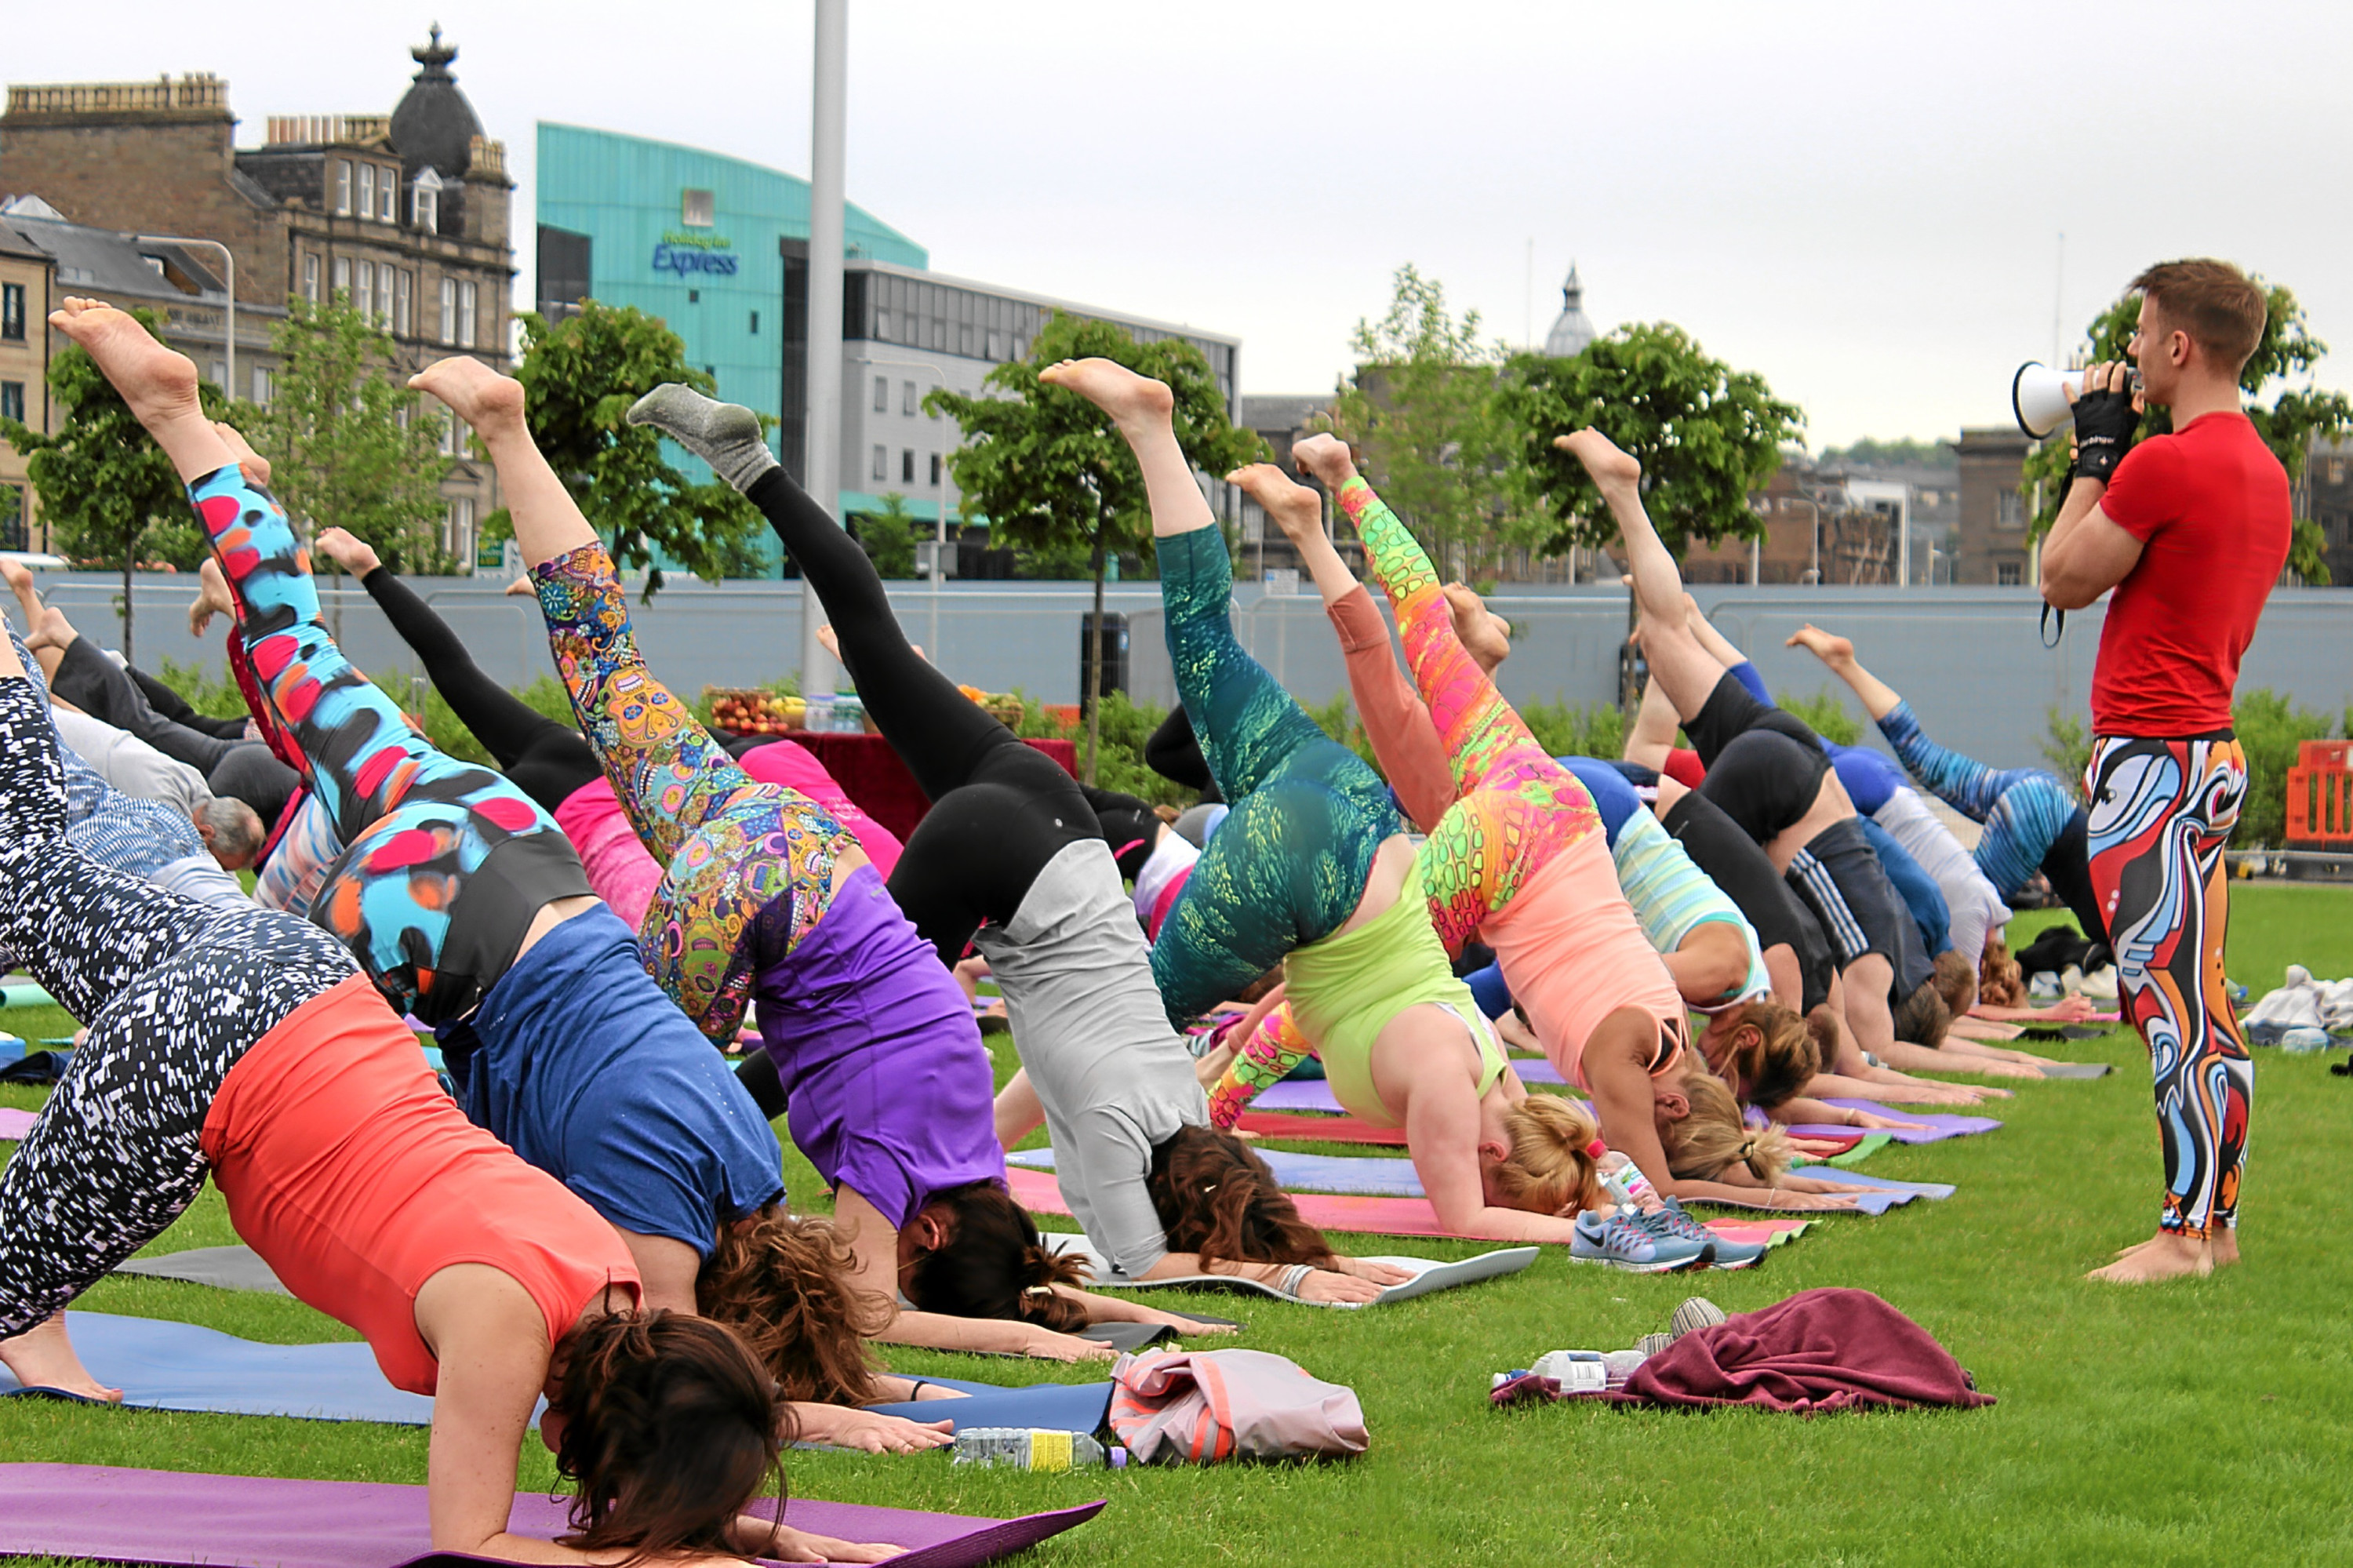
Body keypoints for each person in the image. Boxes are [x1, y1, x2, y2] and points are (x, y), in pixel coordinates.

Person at [5, 300, 895, 1566]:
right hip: (351, 979)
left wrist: (761, 1536)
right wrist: (680, 1549)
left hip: (461, 876)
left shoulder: (646, 1245)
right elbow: (470, 1541)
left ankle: (188, 445)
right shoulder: (544, 1302)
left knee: (207, 731)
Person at [420, 353, 1155, 1358]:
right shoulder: (907, 1180)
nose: (868, 1244)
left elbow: (1029, 1275)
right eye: (899, 1250)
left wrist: (1148, 1314)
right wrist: (1031, 1345)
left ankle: (508, 430)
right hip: (748, 895)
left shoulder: (974, 1146)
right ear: (929, 1235)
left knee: (607, 670)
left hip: (792, 841)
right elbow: (867, 1312)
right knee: (613, 1073)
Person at [633, 382, 1401, 1305]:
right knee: (835, 1021)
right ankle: (675, 1104)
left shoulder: (1189, 1105)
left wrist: (1322, 1257)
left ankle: (751, 464)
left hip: (1054, 815)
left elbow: (1228, 1215)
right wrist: (1294, 1278)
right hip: (1003, 866)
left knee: (875, 647)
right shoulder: (1125, 1142)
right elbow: (1142, 1267)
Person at [1236, 437, 1865, 1203]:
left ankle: (1336, 487)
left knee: (1427, 635)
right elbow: (1663, 1191)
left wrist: (1781, 1181)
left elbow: (1701, 1141)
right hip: (1506, 855)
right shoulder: (1629, 1062)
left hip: (1557, 804)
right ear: (1671, 1108)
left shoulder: (1674, 1027)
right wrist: (1783, 1194)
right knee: (1343, 987)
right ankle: (1215, 1099)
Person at [1560, 427, 1955, 1074]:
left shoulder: (1857, 961)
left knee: (1664, 642)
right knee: (1657, 815)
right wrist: (1985, 1084)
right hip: (1782, 791)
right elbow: (1870, 1064)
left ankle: (1634, 515)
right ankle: (1634, 517)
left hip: (1795, 757)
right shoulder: (1825, 986)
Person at [2039, 260, 2286, 1284]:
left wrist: (2097, 450)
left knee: (2167, 1006)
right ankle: (2215, 1220)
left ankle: (2182, 1236)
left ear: (2181, 346)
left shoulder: (2165, 467)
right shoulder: (2265, 472)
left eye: (2142, 332)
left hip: (2149, 763)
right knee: (2209, 1000)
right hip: (2211, 758)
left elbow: (2064, 572)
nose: (2132, 350)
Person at [1782, 622, 2100, 966]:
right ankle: (1961, 998)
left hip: (2044, 795)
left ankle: (1846, 665)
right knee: (1970, 918)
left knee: (1924, 757)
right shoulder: (2133, 930)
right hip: (2039, 819)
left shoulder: (2131, 916)